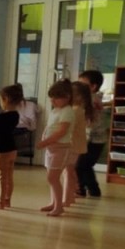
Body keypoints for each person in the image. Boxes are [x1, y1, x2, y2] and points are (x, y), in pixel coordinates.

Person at [35, 79, 75, 217]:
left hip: (60, 148)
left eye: (56, 98)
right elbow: (50, 127)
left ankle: (59, 206)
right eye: (51, 98)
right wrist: (45, 140)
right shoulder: (56, 110)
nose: (53, 101)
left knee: (53, 177)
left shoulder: (67, 111)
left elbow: (61, 132)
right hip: (51, 148)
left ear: (67, 97)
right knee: (51, 177)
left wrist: (45, 142)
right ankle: (54, 203)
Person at [0, 85, 22, 210]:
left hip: (2, 149)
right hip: (12, 147)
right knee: (9, 175)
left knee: (1, 176)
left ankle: (0, 201)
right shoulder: (15, 115)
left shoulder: (2, 117)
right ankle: (7, 200)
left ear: (5, 99)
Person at [77, 70, 107, 198]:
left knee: (80, 165)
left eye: (82, 84)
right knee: (85, 165)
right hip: (95, 139)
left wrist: (83, 140)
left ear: (93, 86)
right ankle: (91, 190)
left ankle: (82, 189)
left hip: (93, 140)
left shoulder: (91, 100)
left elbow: (90, 125)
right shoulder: (94, 98)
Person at [66, 81, 94, 206]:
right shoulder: (79, 109)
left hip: (72, 145)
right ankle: (72, 194)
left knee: (68, 172)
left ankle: (68, 196)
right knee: (70, 171)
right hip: (76, 145)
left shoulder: (75, 110)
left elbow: (67, 128)